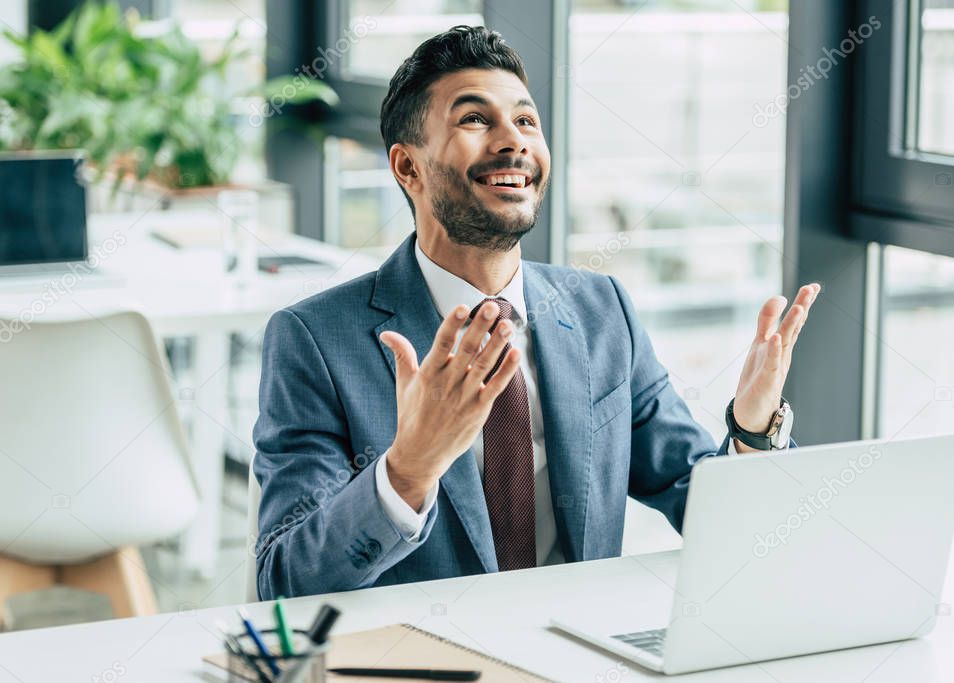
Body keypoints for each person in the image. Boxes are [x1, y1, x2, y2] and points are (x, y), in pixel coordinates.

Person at [252, 26, 819, 599]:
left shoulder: (602, 310)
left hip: (582, 650)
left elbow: (699, 498)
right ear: (407, 168)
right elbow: (286, 579)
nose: (513, 141)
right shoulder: (315, 340)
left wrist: (751, 432)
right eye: (475, 120)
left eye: (526, 121)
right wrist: (409, 468)